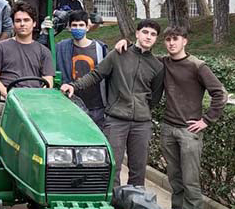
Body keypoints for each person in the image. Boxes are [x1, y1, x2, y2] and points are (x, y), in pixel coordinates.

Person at [115, 27, 227, 209]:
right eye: (167, 40)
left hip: (189, 131)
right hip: (168, 127)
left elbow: (219, 93)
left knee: (190, 180)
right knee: (174, 178)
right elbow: (141, 54)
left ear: (185, 41)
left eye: (175, 39)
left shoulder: (197, 66)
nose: (171, 43)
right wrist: (125, 43)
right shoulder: (163, 63)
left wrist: (206, 120)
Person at [61, 19, 164, 187]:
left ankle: (134, 204)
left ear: (156, 39)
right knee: (112, 166)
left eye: (153, 34)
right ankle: (114, 205)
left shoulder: (157, 66)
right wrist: (74, 86)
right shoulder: (118, 54)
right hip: (116, 119)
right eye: (145, 32)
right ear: (137, 33)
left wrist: (142, 109)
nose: (148, 37)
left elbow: (155, 96)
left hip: (141, 124)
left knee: (138, 169)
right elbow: (96, 75)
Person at [0, 1, 55, 145]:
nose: (22, 24)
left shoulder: (44, 52)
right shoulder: (1, 48)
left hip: (34, 98)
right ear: (13, 24)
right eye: (18, 21)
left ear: (34, 23)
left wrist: (37, 98)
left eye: (26, 20)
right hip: (5, 97)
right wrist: (8, 94)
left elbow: (48, 82)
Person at [55, 10, 107, 130]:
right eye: (74, 25)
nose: (78, 28)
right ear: (69, 27)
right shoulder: (62, 48)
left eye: (81, 25)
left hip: (96, 107)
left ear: (87, 27)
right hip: (70, 105)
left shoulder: (100, 49)